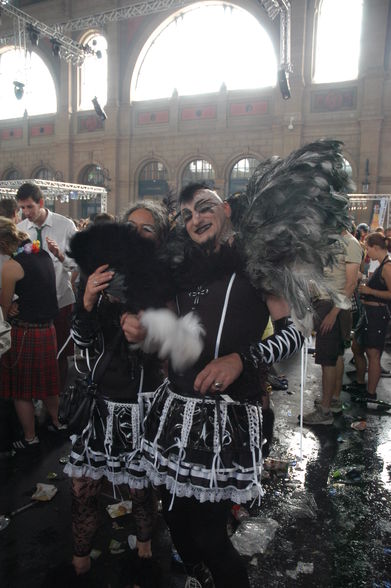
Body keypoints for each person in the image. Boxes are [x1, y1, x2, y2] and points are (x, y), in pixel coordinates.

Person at [122, 184, 301, 588]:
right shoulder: (180, 267)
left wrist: (243, 358)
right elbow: (169, 335)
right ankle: (201, 576)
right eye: (185, 215)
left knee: (208, 534)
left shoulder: (259, 262)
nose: (195, 220)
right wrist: (141, 329)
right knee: (174, 517)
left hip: (229, 416)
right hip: (177, 411)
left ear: (225, 210)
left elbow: (295, 335)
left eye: (203, 209)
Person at [64, 201, 171, 579]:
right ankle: (79, 560)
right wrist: (88, 301)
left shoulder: (168, 278)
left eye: (146, 228)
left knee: (141, 488)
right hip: (99, 402)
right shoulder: (99, 271)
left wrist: (151, 331)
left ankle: (144, 549)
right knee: (83, 487)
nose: (136, 234)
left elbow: (181, 348)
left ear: (159, 236)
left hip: (141, 404)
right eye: (130, 226)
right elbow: (81, 340)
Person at [0, 217, 62, 450]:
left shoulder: (11, 267)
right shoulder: (42, 254)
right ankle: (57, 422)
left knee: (21, 391)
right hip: (47, 329)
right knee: (49, 384)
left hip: (25, 333)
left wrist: (11, 307)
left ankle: (29, 437)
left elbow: (4, 308)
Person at [16, 182, 77, 391]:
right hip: (31, 307)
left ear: (41, 202)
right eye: (22, 208)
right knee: (34, 356)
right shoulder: (21, 230)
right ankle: (38, 399)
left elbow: (78, 263)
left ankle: (58, 400)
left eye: (29, 207)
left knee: (59, 354)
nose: (26, 212)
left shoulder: (66, 225)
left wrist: (60, 255)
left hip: (60, 301)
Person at [302, 228, 362, 425]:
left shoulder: (350, 243)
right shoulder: (333, 241)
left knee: (327, 360)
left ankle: (325, 411)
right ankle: (333, 400)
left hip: (333, 305)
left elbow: (351, 283)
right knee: (335, 356)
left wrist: (333, 313)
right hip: (328, 304)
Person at [347, 232, 391, 402]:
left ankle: (371, 393)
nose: (367, 253)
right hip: (369, 314)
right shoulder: (381, 265)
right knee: (357, 347)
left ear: (376, 247)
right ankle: (360, 382)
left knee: (373, 355)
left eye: (367, 248)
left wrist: (370, 291)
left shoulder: (387, 267)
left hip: (377, 316)